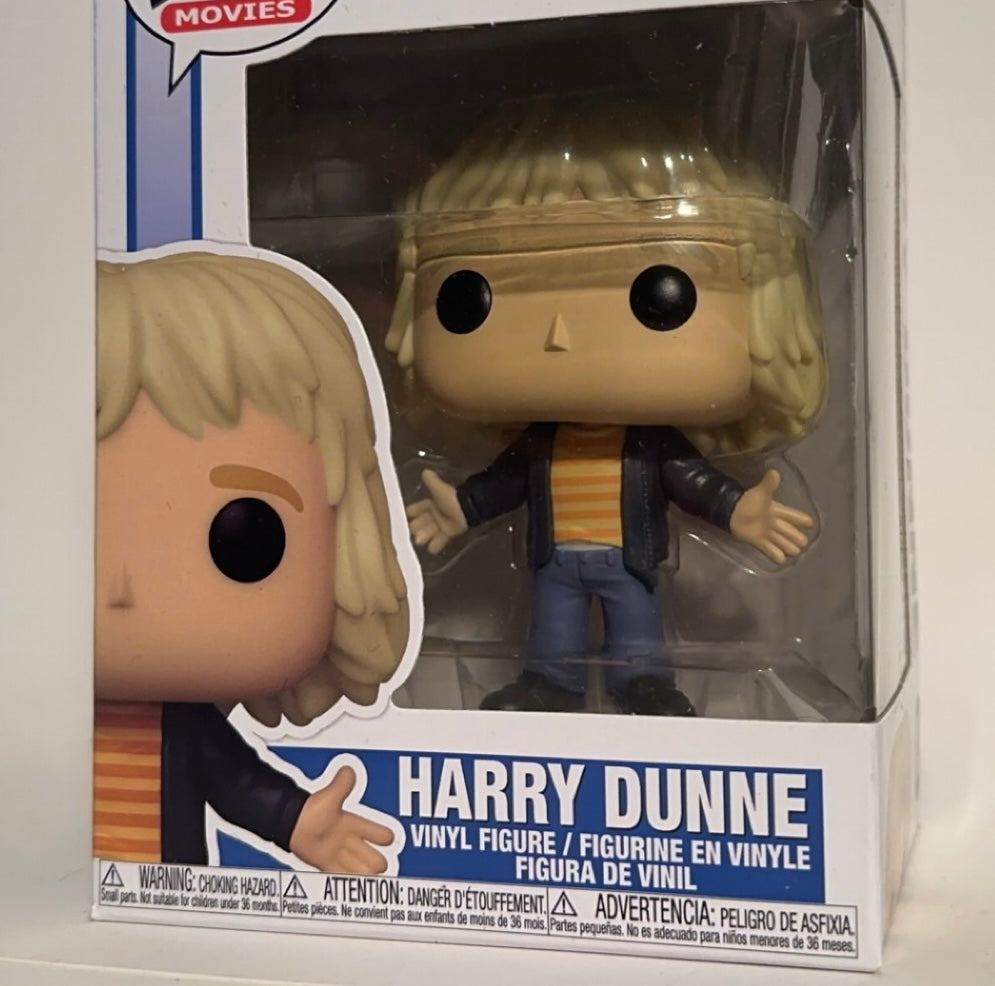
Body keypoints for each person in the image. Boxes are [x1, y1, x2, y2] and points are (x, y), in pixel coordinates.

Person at [387, 97, 827, 715]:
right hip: (555, 559)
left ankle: (644, 683)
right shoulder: (542, 444)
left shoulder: (648, 445)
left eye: (659, 294)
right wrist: (462, 509)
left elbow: (690, 478)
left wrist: (737, 511)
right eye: (469, 297)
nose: (559, 334)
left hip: (629, 559)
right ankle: (551, 683)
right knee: (553, 627)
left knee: (637, 626)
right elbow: (507, 480)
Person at [95, 249, 413, 869]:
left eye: (243, 540)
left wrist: (299, 822)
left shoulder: (181, 727)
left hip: (157, 905)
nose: (119, 587)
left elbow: (239, 785)